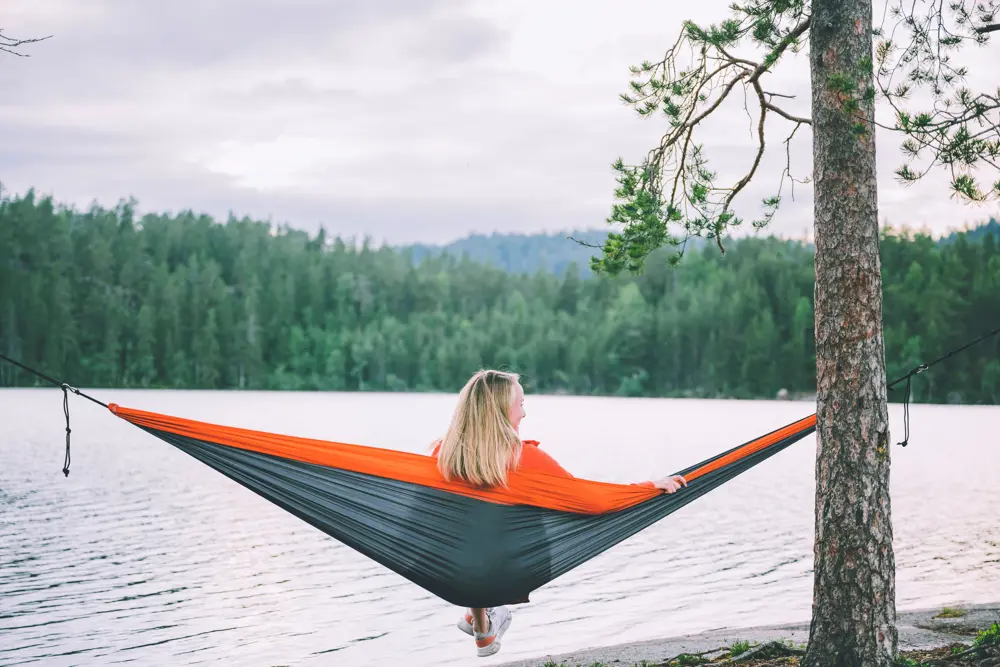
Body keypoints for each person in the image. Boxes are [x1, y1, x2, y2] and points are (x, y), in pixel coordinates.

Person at [431, 369, 687, 658]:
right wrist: (648, 487)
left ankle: (480, 622)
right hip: (510, 568)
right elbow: (595, 502)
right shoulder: (524, 458)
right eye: (521, 404)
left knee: (473, 524)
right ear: (502, 410)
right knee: (543, 510)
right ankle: (482, 618)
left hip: (456, 568)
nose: (524, 414)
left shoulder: (441, 455)